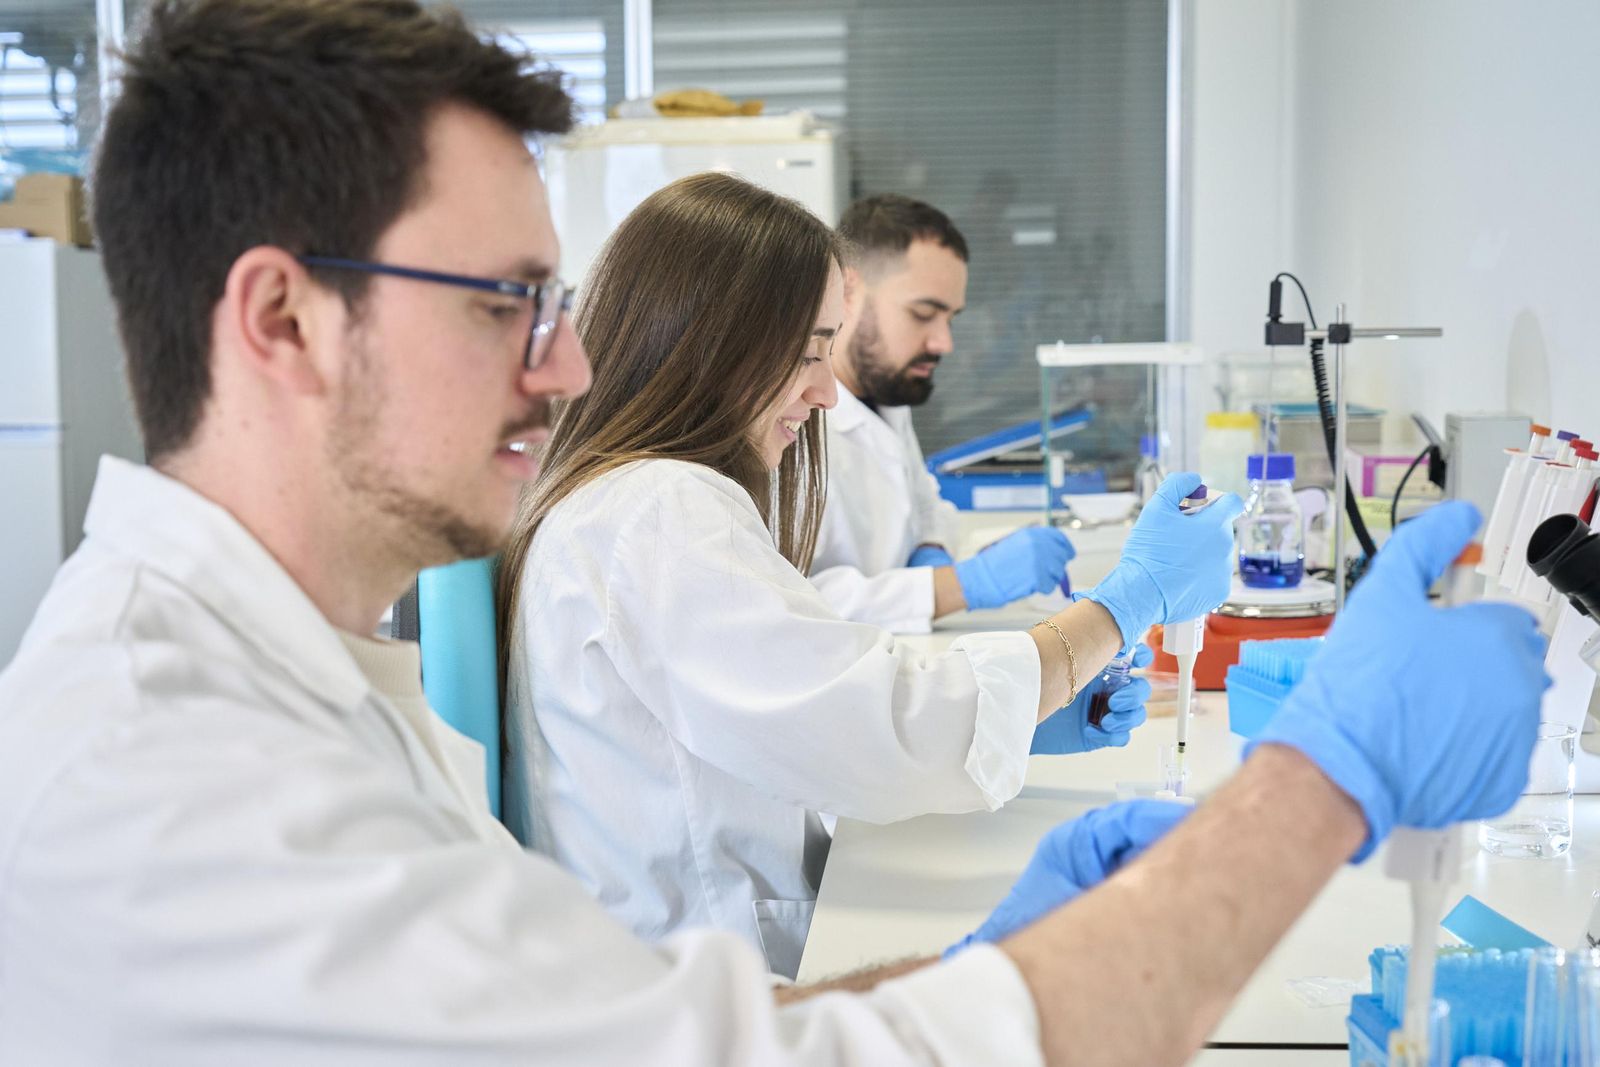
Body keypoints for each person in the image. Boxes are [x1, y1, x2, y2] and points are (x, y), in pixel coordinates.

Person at [0, 2, 1549, 1064]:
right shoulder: (173, 780)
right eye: (505, 305)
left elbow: (656, 1030)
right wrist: (1321, 784)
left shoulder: (297, 696)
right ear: (280, 316)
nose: (563, 363)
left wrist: (963, 965)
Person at [496, 171, 1239, 977]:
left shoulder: (635, 502)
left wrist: (1020, 718)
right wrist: (1126, 604)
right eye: (807, 351)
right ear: (709, 341)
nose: (824, 391)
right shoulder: (656, 512)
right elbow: (882, 721)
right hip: (707, 996)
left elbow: (799, 704)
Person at [809, 194, 1074, 632]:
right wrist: (960, 586)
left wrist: (930, 547)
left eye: (950, 318)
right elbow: (789, 605)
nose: (943, 343)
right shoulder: (790, 427)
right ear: (849, 292)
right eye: (923, 314)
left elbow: (924, 501)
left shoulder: (885, 394)